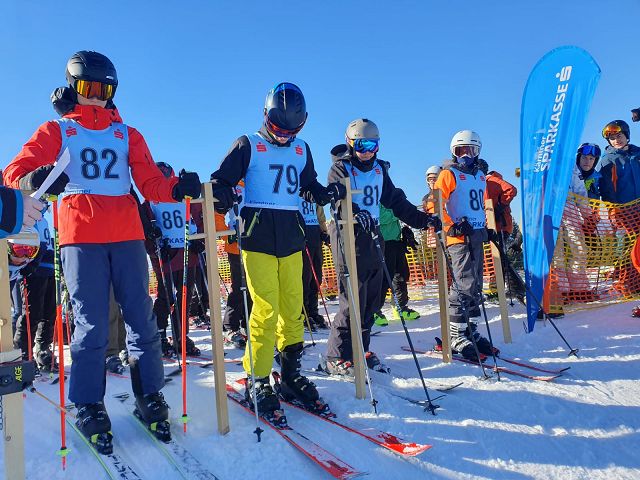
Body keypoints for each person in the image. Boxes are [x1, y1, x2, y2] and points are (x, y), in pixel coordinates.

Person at [2, 50, 201, 449]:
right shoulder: (57, 130)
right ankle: (89, 402)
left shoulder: (127, 134)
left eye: (104, 89)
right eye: (88, 87)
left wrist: (177, 188)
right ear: (74, 87)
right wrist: (34, 178)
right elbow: (14, 172)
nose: (95, 96)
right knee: (90, 325)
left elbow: (149, 181)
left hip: (127, 236)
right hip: (81, 237)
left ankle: (148, 392)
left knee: (142, 321)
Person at [210, 82, 346, 414]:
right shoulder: (248, 144)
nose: (284, 135)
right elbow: (221, 179)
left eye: (292, 129)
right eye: (276, 127)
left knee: (293, 307)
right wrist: (220, 192)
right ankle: (256, 377)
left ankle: (289, 374)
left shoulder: (302, 150)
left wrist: (323, 193)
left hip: (290, 236)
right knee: (265, 308)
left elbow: (308, 185)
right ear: (265, 116)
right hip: (257, 238)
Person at [325, 119, 440, 375]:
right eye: (362, 145)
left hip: (372, 233)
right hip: (347, 234)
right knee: (352, 297)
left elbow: (395, 200)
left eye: (373, 145)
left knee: (372, 298)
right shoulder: (340, 168)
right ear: (351, 144)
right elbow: (338, 197)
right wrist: (354, 213)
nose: (368, 151)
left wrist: (423, 220)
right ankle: (337, 354)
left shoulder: (378, 170)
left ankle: (360, 349)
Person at [434, 130, 493, 361]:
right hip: (459, 238)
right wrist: (451, 225)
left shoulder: (480, 175)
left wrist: (487, 227)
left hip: (477, 234)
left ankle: (471, 329)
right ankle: (456, 333)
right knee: (464, 284)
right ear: (453, 153)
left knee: (477, 284)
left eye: (471, 151)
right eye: (461, 151)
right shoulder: (449, 174)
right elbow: (435, 204)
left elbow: (480, 204)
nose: (466, 156)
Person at [142, 161, 203, 358]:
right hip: (166, 252)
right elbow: (146, 223)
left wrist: (197, 239)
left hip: (186, 250)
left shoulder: (181, 195)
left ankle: (181, 336)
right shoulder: (151, 198)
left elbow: (194, 218)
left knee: (185, 294)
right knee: (165, 295)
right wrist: (153, 240)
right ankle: (159, 335)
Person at [598, 120, 640, 296]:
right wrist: (612, 210)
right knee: (628, 245)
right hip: (623, 210)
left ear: (627, 136)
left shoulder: (637, 154)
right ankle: (628, 283)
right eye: (612, 138)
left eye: (619, 136)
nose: (616, 140)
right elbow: (604, 188)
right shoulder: (607, 160)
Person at [13, 214, 57, 371]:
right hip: (34, 271)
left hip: (50, 270)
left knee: (49, 313)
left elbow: (48, 244)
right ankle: (23, 354)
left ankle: (43, 349)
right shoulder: (28, 214)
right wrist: (30, 265)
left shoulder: (44, 219)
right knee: (32, 314)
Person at [478, 159, 525, 303]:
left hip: (500, 225)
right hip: (492, 225)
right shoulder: (481, 182)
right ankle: (504, 288)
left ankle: (513, 287)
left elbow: (511, 189)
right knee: (496, 258)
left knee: (499, 258)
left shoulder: (491, 179)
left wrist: (500, 205)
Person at [214, 180, 251, 349]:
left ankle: (249, 322)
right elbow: (217, 213)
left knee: (254, 288)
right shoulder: (230, 186)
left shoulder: (256, 182)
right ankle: (229, 326)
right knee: (239, 287)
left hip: (256, 243)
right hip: (236, 245)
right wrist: (226, 235)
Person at [373, 205, 420, 326]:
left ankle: (400, 307)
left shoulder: (390, 199)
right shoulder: (376, 199)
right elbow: (380, 218)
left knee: (401, 276)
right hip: (383, 242)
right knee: (384, 278)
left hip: (397, 241)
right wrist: (398, 212)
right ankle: (374, 310)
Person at [299, 194, 330, 330]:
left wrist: (323, 232)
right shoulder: (292, 190)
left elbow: (320, 213)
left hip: (314, 234)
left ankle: (313, 311)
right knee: (304, 278)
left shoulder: (312, 191)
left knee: (316, 278)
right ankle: (303, 313)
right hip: (302, 235)